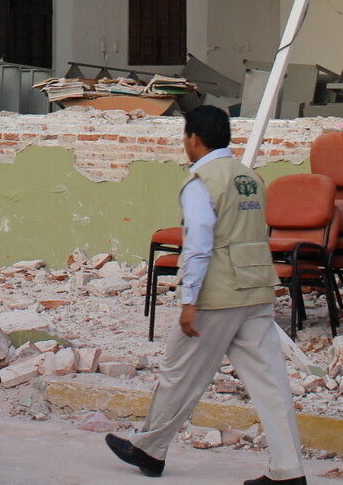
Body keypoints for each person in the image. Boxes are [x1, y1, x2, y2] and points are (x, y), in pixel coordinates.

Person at [106, 105, 306, 485]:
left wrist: (188, 300)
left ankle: (149, 450)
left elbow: (198, 244)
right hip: (257, 289)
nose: (184, 143)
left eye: (184, 136)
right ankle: (288, 471)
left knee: (179, 372)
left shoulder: (201, 182)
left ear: (194, 137)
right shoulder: (251, 178)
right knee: (271, 384)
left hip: (218, 294)